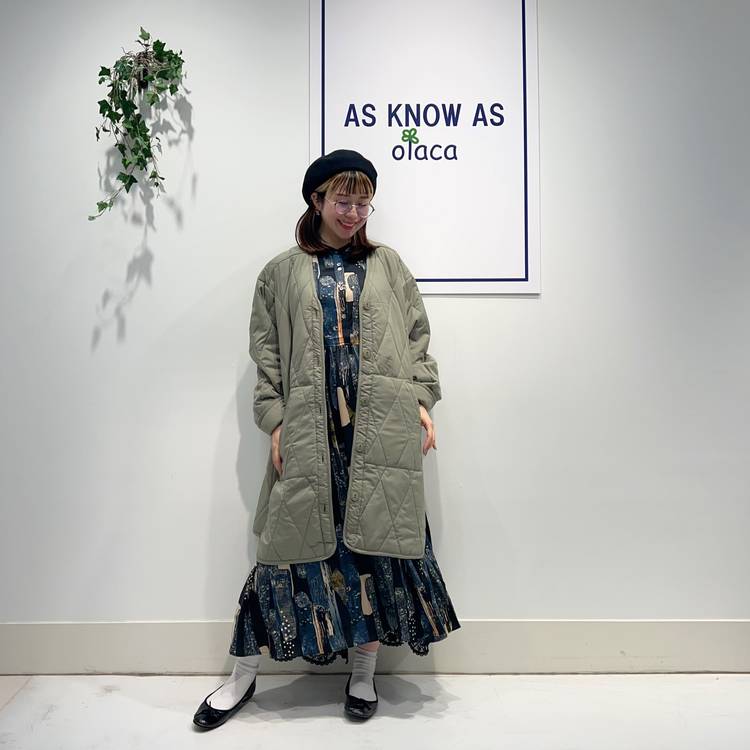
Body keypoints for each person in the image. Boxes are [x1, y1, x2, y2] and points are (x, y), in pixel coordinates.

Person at [193, 149, 461, 729]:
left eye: (364, 202)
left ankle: (363, 672)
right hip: (311, 435)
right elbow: (267, 356)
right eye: (343, 200)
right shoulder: (280, 273)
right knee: (282, 555)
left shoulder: (389, 265)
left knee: (373, 557)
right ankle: (242, 675)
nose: (354, 212)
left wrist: (421, 399)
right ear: (316, 200)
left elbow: (417, 337)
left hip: (380, 432)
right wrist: (275, 420)